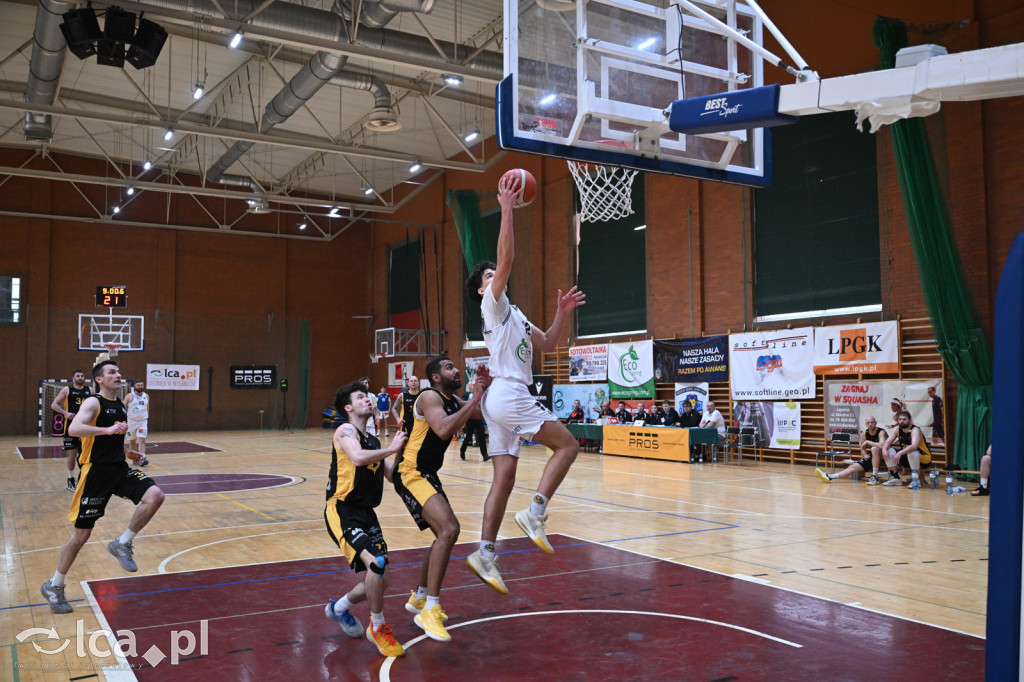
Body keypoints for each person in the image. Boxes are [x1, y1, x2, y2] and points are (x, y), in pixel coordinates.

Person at [463, 173, 586, 595]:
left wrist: (562, 311)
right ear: (483, 287)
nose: (498, 273)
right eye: (490, 274)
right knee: (568, 445)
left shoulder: (514, 313)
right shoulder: (492, 304)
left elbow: (550, 343)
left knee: (504, 478)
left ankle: (485, 552)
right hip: (509, 394)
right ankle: (535, 513)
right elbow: (507, 259)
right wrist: (508, 209)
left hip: (499, 398)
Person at [41, 360, 164, 614]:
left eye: (119, 371)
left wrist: (128, 452)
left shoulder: (120, 404)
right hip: (95, 473)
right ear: (99, 379)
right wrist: (107, 430)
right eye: (112, 372)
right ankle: (55, 585)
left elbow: (115, 438)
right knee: (81, 536)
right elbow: (74, 428)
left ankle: (122, 542)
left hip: (119, 469)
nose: (118, 375)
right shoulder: (93, 402)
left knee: (155, 495)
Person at [395, 356, 491, 642]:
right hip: (411, 471)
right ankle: (430, 609)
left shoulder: (451, 399)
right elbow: (442, 429)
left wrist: (486, 391)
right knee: (450, 529)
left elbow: (480, 413)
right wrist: (473, 400)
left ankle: (420, 597)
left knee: (443, 535)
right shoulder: (428, 396)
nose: (457, 369)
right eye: (449, 367)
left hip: (427, 474)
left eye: (455, 366)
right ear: (436, 377)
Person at [323, 381, 409, 658]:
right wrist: (392, 448)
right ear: (348, 407)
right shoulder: (345, 430)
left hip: (367, 514)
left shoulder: (373, 440)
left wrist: (412, 449)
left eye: (367, 396)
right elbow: (358, 458)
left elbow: (391, 475)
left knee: (381, 579)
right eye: (361, 397)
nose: (367, 400)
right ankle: (378, 626)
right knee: (378, 564)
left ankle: (338, 608)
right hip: (343, 510)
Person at [815, 418, 889, 484]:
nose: (870, 424)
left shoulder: (881, 432)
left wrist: (868, 442)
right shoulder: (865, 433)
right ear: (866, 424)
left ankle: (874, 477)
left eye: (872, 422)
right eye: (868, 423)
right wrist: (865, 454)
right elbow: (861, 446)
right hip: (873, 457)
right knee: (852, 467)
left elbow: (882, 446)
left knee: (874, 448)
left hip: (886, 456)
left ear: (875, 423)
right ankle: (830, 476)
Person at [51, 369, 91, 491]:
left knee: (87, 453)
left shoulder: (90, 391)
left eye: (82, 376)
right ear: (73, 378)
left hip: (86, 426)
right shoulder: (67, 390)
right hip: (71, 426)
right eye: (78, 376)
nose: (80, 377)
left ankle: (85, 478)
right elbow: (54, 404)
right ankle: (70, 479)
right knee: (72, 453)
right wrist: (65, 413)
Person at [880, 410, 933, 489]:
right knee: (888, 451)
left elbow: (914, 446)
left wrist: (899, 453)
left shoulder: (915, 430)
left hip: (923, 458)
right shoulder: (897, 429)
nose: (902, 421)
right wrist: (884, 450)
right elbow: (887, 442)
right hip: (907, 456)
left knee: (913, 452)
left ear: (909, 421)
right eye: (900, 419)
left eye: (904, 419)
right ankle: (895, 478)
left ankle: (916, 480)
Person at [460, 380, 489, 461]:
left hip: (479, 419)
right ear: (469, 386)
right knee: (468, 436)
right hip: (470, 419)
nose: (473, 386)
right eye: (472, 385)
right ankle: (462, 450)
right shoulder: (466, 395)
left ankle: (485, 455)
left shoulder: (481, 395)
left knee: (481, 436)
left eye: (474, 385)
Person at [123, 381, 150, 467]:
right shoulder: (129, 396)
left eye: (142, 385)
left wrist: (147, 416)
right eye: (138, 385)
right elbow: (123, 406)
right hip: (131, 421)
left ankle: (142, 458)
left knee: (142, 439)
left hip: (142, 421)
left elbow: (147, 407)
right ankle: (135, 458)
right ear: (135, 386)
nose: (140, 386)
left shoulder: (147, 396)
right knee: (132, 441)